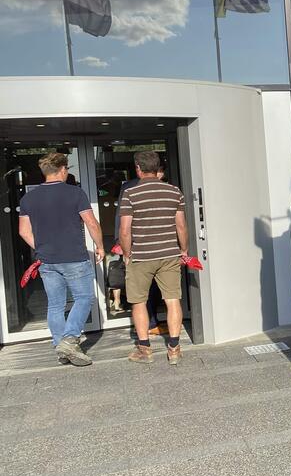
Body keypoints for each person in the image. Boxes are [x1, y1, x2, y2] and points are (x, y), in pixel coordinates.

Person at [17, 152, 104, 366]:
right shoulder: (75, 193)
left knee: (55, 305)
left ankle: (61, 349)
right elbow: (91, 223)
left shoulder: (29, 198)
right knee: (84, 298)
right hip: (74, 256)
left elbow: (23, 232)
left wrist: (44, 248)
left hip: (46, 260)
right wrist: (100, 246)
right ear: (63, 169)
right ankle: (69, 339)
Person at [119, 151, 188, 365]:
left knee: (139, 301)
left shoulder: (131, 194)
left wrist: (127, 254)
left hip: (141, 255)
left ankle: (144, 350)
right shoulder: (174, 192)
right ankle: (174, 348)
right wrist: (184, 250)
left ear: (138, 168)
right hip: (169, 254)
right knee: (172, 300)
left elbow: (125, 230)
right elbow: (181, 226)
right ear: (157, 168)